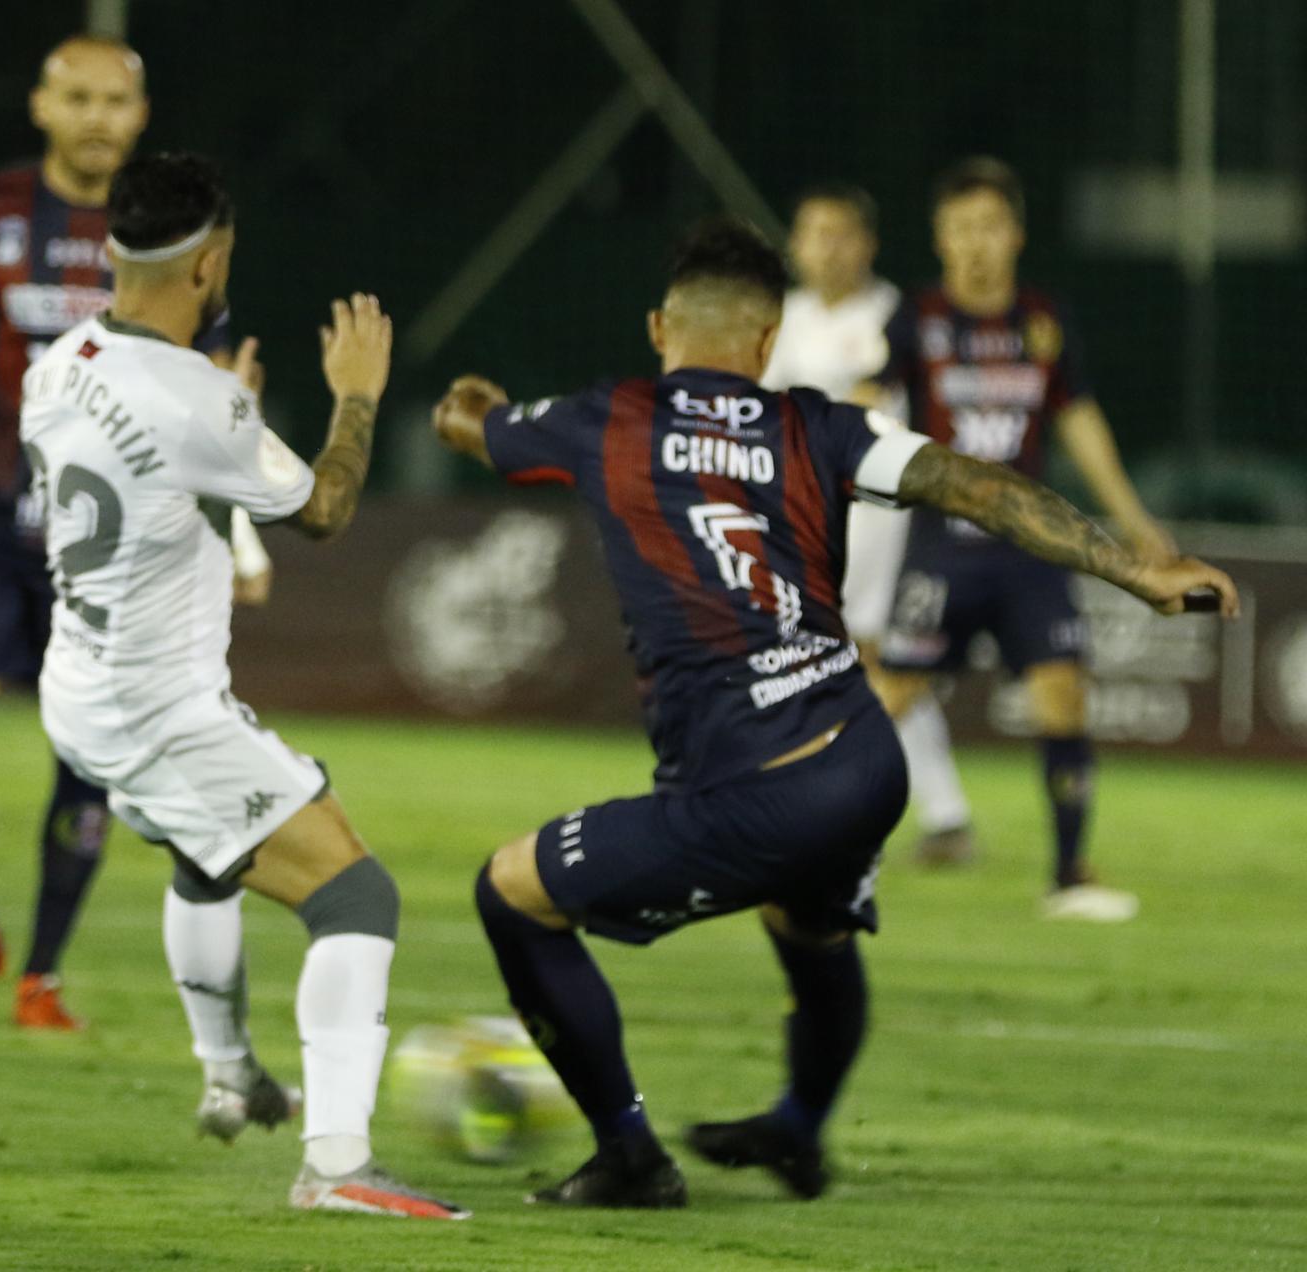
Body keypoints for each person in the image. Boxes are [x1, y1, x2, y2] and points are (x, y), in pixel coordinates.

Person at [431, 216, 1236, 1208]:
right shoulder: (820, 426)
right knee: (805, 922)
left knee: (510, 891)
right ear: (767, 341)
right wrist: (1136, 569)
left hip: (749, 790)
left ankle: (630, 1157)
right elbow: (974, 483)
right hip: (861, 761)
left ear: (657, 329)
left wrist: (472, 408)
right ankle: (800, 1132)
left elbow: (471, 427)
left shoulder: (609, 418)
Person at [21, 151, 466, 1218]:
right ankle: (339, 1167)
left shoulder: (56, 362)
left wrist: (231, 420)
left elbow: (159, 467)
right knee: (356, 893)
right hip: (158, 712)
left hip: (77, 691)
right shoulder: (198, 405)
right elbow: (321, 511)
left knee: (205, 861)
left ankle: (230, 1074)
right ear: (211, 262)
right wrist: (355, 397)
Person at [0, 36, 269, 1029]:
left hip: (112, 542)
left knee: (85, 752)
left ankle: (40, 974)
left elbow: (213, 393)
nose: (94, 117)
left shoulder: (175, 233)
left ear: (139, 116)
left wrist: (242, 541)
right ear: (41, 105)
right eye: (75, 97)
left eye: (112, 102)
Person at [858, 158, 1177, 920]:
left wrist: (1132, 521)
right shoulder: (918, 318)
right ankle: (822, 849)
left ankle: (1071, 874)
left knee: (1063, 692)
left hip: (1029, 551)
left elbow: (1078, 416)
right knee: (889, 699)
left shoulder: (1044, 320)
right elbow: (870, 397)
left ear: (1016, 235)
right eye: (961, 228)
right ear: (940, 238)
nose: (976, 243)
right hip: (939, 550)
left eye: (990, 227)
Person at [763, 183, 976, 865]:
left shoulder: (894, 317)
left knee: (869, 659)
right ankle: (939, 816)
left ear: (868, 244)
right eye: (814, 232)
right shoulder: (782, 318)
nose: (827, 247)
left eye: (841, 233)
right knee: (853, 663)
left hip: (875, 520)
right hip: (797, 514)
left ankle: (886, 812)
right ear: (794, 244)